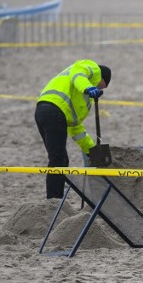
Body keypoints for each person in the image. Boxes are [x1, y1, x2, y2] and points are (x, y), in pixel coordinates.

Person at [35, 60, 111, 199]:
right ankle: (53, 202)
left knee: (60, 159)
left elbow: (76, 129)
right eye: (102, 86)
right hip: (53, 110)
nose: (100, 89)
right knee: (58, 159)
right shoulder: (91, 68)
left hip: (44, 112)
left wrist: (91, 151)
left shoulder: (81, 98)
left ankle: (53, 200)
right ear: (101, 78)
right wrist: (88, 88)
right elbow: (78, 75)